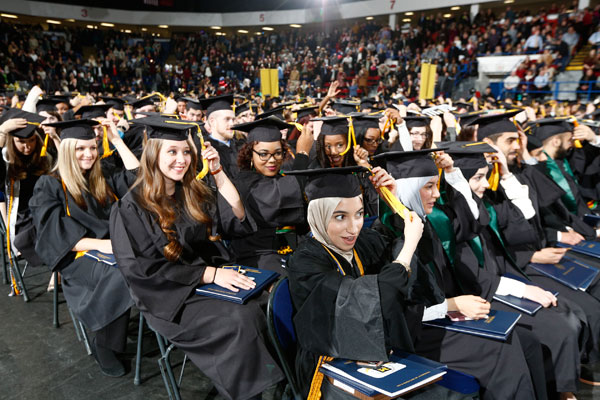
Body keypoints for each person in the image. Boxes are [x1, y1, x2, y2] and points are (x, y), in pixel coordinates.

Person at [109, 118, 283, 400]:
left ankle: (252, 381)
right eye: (172, 152)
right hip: (168, 296)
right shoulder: (131, 207)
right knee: (240, 319)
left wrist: (217, 173)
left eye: (187, 152)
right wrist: (211, 275)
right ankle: (246, 392)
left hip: (208, 276)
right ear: (153, 154)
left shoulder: (189, 191)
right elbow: (143, 270)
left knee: (271, 303)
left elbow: (236, 216)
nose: (182, 160)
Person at [374, 148, 542, 400]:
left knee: (526, 340)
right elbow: (395, 311)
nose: (435, 194)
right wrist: (451, 305)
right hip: (415, 334)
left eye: (437, 186)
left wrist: (452, 173)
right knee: (503, 350)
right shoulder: (390, 235)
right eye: (428, 187)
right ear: (407, 188)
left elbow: (474, 219)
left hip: (439, 318)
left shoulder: (422, 222)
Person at [285, 166, 444, 399]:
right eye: (340, 216)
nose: (354, 227)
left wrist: (394, 203)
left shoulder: (360, 242)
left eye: (359, 214)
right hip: (328, 362)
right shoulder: (306, 262)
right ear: (317, 216)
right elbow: (376, 296)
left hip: (373, 351)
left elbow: (396, 247)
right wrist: (408, 247)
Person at [29, 118, 140, 377]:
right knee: (122, 273)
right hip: (77, 255)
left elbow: (139, 179)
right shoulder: (51, 184)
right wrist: (106, 245)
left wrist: (116, 140)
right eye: (80, 149)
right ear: (67, 150)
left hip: (111, 248)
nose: (88, 154)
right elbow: (53, 236)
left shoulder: (103, 174)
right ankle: (104, 342)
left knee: (140, 265)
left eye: (92, 147)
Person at [231, 116, 313, 273]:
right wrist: (302, 153)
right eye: (263, 154)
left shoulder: (280, 177)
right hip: (258, 256)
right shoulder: (245, 182)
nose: (272, 160)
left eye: (278, 153)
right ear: (250, 154)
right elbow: (282, 196)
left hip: (289, 250)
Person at [0, 109, 50, 273]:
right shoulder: (6, 160)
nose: (28, 146)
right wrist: (1, 132)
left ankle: (57, 268)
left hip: (43, 209)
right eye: (21, 142)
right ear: (11, 141)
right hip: (19, 215)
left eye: (32, 140)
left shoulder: (44, 157)